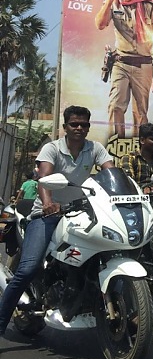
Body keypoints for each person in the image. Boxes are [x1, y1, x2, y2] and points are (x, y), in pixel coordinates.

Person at [0, 106, 114, 337]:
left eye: (84, 124)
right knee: (28, 268)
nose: (79, 128)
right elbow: (44, 179)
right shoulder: (51, 148)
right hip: (46, 215)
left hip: (80, 212)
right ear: (65, 127)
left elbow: (111, 174)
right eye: (74, 124)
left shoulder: (95, 148)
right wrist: (49, 203)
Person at [95, 0, 153, 139]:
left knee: (140, 111)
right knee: (115, 106)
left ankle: (139, 149)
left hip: (143, 64)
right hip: (121, 62)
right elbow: (100, 24)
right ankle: (115, 145)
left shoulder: (149, 6)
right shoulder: (112, 4)